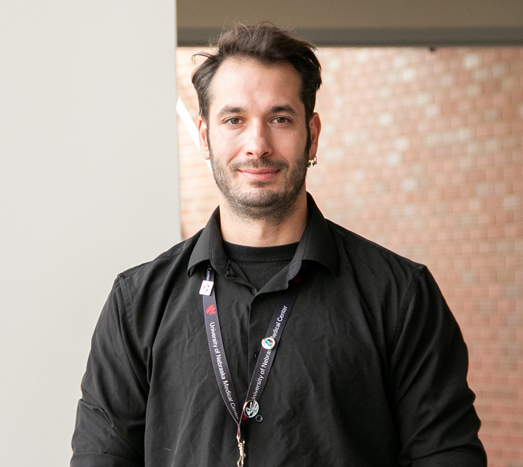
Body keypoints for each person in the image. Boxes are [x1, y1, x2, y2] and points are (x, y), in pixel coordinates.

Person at [71, 23, 486, 466]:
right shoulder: (137, 303)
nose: (258, 145)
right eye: (234, 120)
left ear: (313, 133)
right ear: (205, 136)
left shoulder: (400, 295)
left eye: (280, 118)